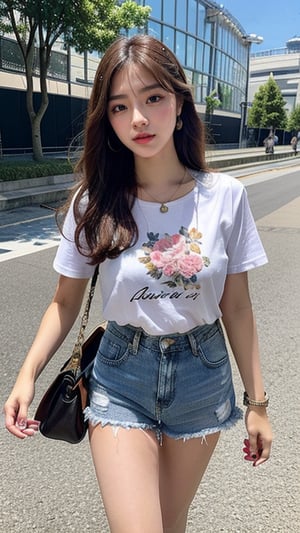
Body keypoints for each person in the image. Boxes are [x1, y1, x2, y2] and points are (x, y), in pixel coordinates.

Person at [4, 35, 272, 533]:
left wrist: (258, 404)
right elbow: (64, 302)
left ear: (179, 100)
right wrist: (26, 373)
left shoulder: (225, 197)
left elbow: (237, 308)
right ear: (106, 119)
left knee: (171, 524)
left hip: (202, 372)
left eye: (153, 98)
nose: (139, 120)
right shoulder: (96, 200)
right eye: (120, 107)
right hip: (120, 376)